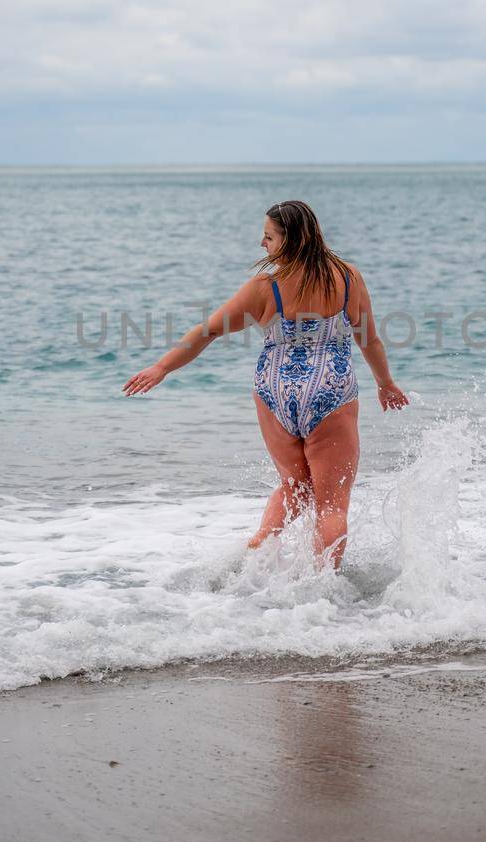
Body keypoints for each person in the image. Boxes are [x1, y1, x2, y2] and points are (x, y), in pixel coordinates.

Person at [122, 200, 409, 568]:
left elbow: (207, 331)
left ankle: (253, 564)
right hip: (331, 391)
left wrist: (162, 367)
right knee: (332, 504)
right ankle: (325, 593)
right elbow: (368, 339)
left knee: (294, 487)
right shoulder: (348, 278)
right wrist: (385, 383)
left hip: (276, 393)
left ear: (291, 240)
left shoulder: (265, 288)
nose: (263, 245)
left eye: (269, 237)